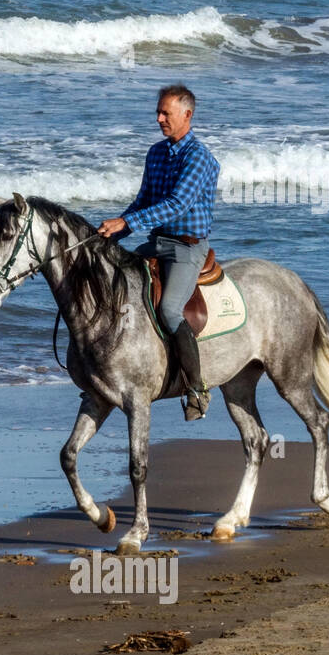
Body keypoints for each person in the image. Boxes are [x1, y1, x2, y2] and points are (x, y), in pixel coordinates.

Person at [97, 84, 220, 420]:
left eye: (166, 113)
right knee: (116, 281)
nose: (159, 118)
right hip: (157, 241)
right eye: (158, 112)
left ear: (187, 115)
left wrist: (127, 221)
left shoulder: (200, 159)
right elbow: (144, 201)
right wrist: (118, 227)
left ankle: (197, 390)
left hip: (186, 248)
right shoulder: (156, 153)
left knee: (168, 310)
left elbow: (176, 205)